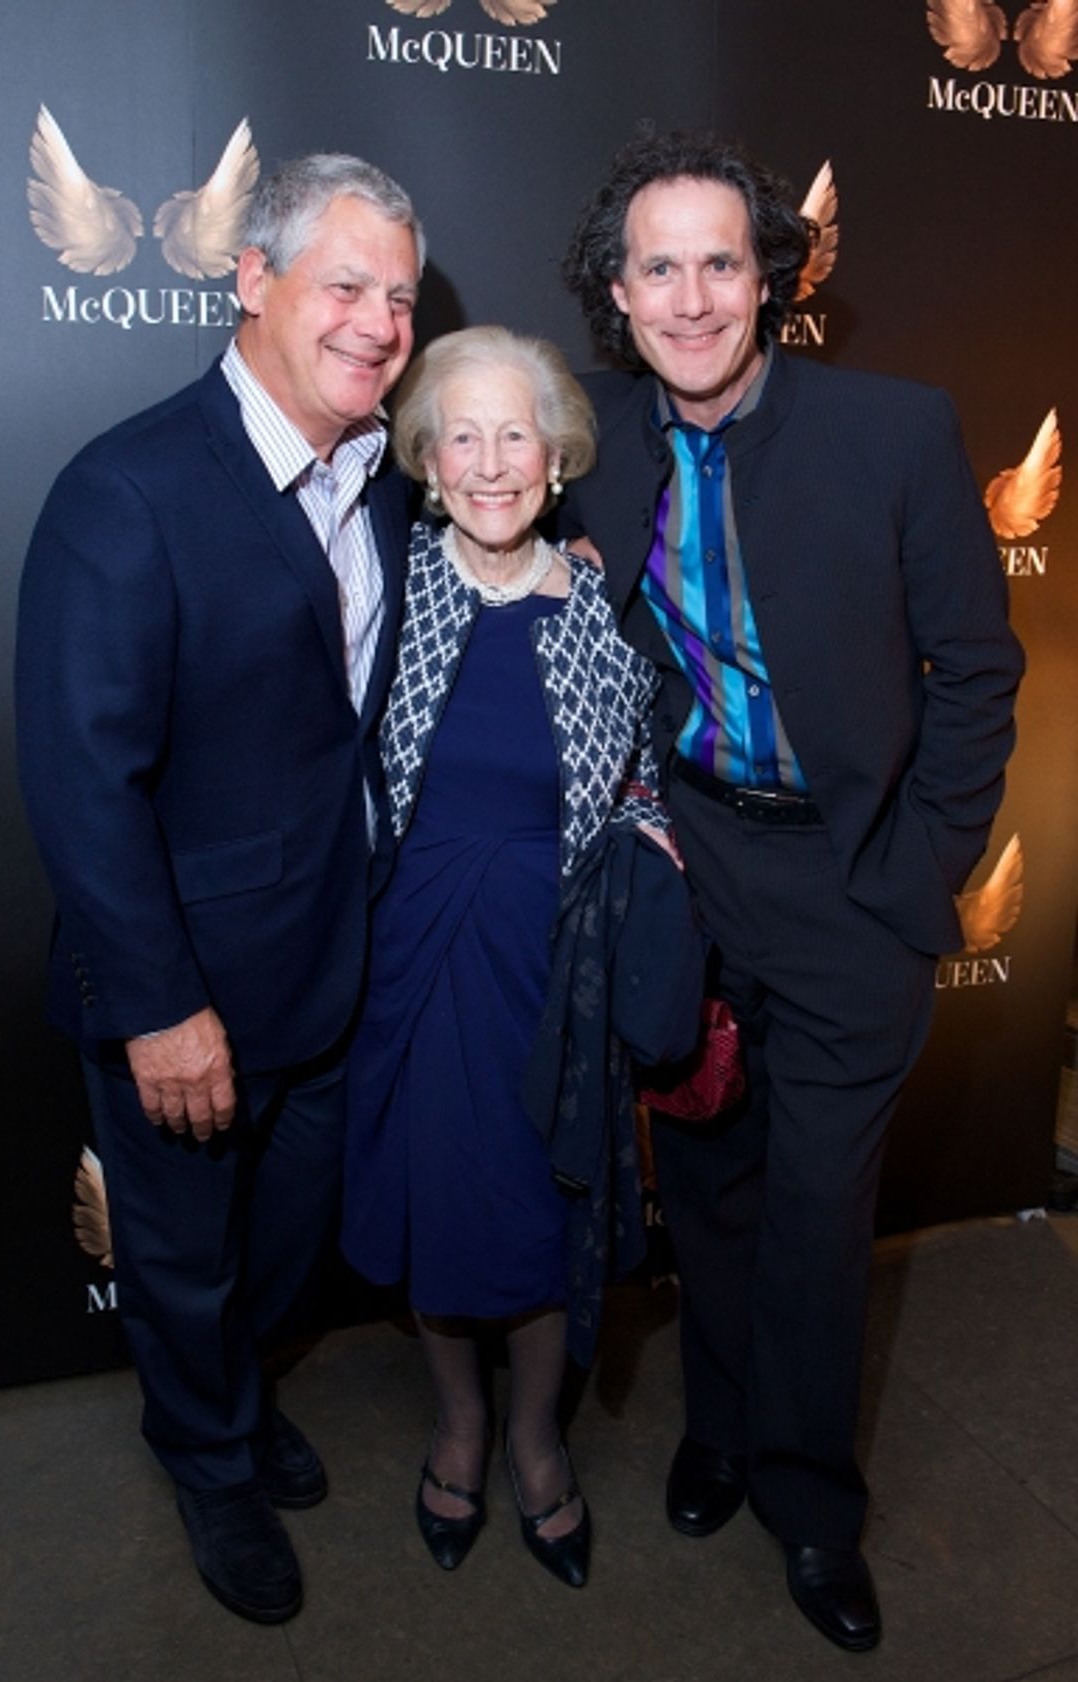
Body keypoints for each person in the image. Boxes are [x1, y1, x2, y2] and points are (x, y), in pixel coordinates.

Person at [560, 129, 1023, 1650]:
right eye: (658, 266)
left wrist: (916, 865)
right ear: (617, 295)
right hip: (694, 862)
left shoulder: (896, 431)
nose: (691, 297)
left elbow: (978, 673)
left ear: (769, 275)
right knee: (710, 1181)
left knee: (822, 1214)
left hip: (851, 878)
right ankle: (723, 1426)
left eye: (720, 260)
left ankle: (812, 1501)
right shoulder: (596, 442)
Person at [15, 154, 424, 1625]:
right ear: (250, 281)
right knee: (182, 1260)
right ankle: (206, 1455)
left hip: (329, 967)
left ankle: (232, 1401)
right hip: (182, 989)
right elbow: (82, 783)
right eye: (344, 286)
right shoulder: (127, 491)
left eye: (399, 297)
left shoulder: (381, 483)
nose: (380, 323)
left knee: (282, 1244)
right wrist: (160, 1003)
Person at [342, 325, 699, 1589]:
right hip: (417, 960)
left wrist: (647, 861)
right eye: (463, 434)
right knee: (444, 1207)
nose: (492, 461)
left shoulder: (605, 614)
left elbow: (647, 784)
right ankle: (461, 1421)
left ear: (555, 461)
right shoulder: (381, 591)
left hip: (558, 970)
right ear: (427, 460)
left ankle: (539, 1438)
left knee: (551, 1210)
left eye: (518, 436)